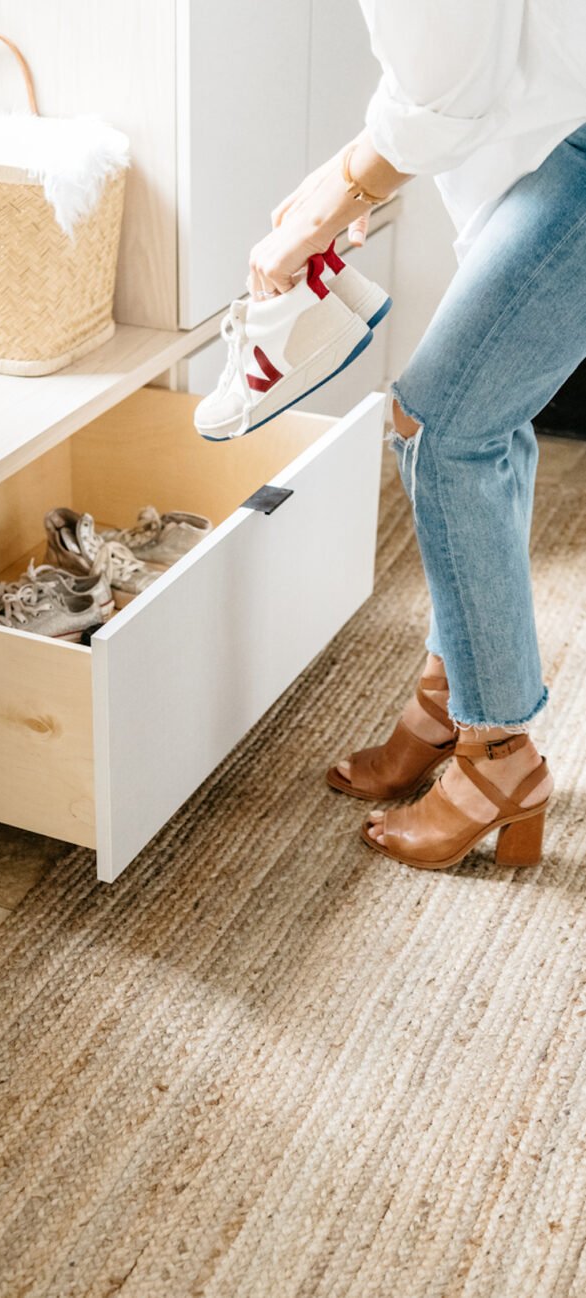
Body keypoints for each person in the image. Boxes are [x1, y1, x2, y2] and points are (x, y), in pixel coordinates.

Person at [245, 0, 586, 870]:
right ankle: (447, 702)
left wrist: (341, 191)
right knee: (481, 415)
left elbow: (451, 83)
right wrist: (354, 168)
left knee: (439, 424)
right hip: (554, 129)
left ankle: (496, 759)